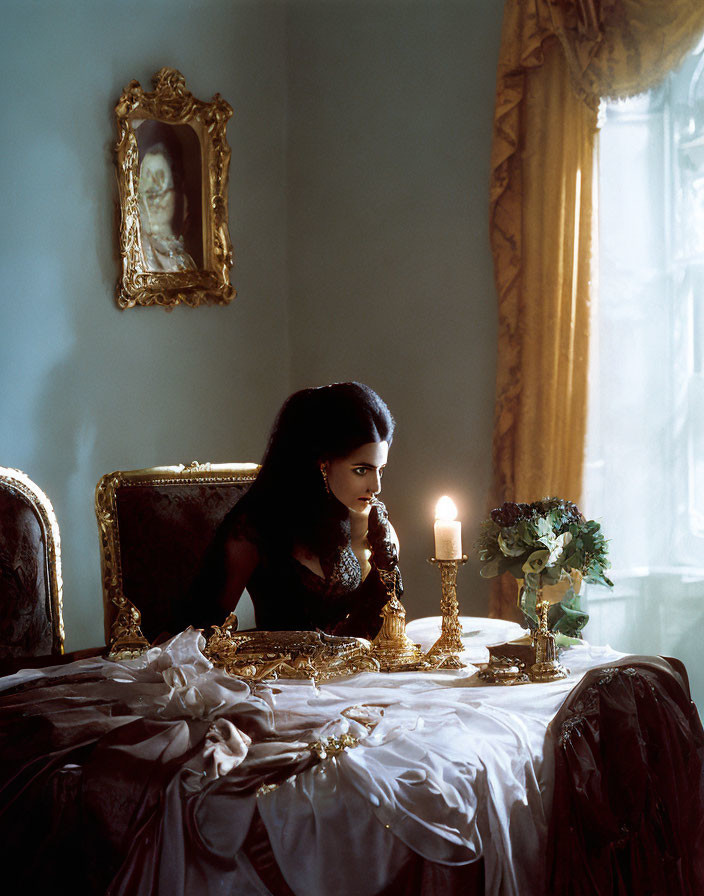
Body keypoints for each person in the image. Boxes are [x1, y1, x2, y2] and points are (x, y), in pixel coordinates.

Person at [183, 382, 401, 639]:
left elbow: (383, 620)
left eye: (381, 469)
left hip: (355, 671)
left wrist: (384, 559)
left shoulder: (370, 520)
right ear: (323, 462)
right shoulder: (254, 528)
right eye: (361, 470)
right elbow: (199, 631)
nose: (376, 486)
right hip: (278, 675)